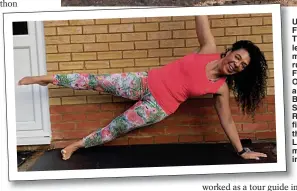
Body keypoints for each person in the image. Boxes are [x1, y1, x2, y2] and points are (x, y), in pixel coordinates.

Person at [18, 15, 268, 161]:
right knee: (96, 80)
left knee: (115, 128)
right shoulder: (208, 49)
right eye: (238, 57)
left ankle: (76, 145)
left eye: (243, 66)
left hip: (157, 107)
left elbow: (228, 121)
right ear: (230, 51)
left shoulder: (221, 89)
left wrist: (242, 150)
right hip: (144, 81)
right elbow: (198, 14)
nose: (237, 64)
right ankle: (49, 79)